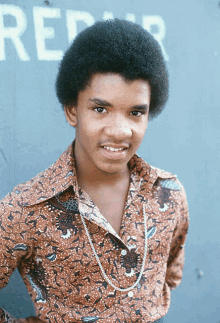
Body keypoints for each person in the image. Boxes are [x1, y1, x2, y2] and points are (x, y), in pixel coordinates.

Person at [0, 19, 189, 323]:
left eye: (136, 112)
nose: (119, 130)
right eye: (100, 109)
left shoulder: (168, 195)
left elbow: (168, 276)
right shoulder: (26, 208)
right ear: (72, 110)